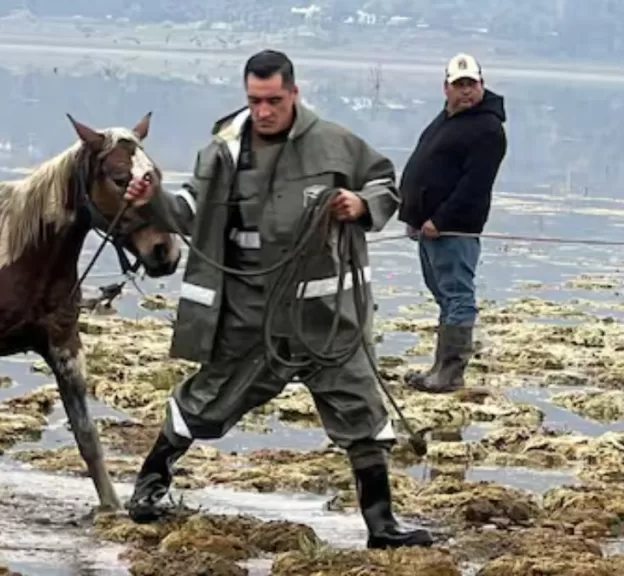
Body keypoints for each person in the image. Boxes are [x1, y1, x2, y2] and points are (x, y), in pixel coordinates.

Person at [123, 49, 433, 550]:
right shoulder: (223, 152)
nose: (263, 111)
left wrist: (361, 204)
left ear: (294, 93)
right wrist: (152, 198)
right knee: (205, 400)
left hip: (327, 318)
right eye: (255, 101)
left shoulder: (335, 143)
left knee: (362, 411)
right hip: (252, 315)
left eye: (273, 101)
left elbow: (383, 182)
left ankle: (382, 525)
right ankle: (149, 485)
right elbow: (190, 211)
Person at [398, 53, 508, 394]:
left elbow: (475, 186)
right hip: (427, 228)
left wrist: (440, 219)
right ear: (446, 87)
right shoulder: (447, 118)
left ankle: (451, 373)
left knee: (459, 297)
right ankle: (438, 368)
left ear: (482, 85)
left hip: (454, 229)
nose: (465, 91)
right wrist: (412, 215)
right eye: (459, 84)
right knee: (444, 296)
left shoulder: (487, 129)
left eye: (471, 84)